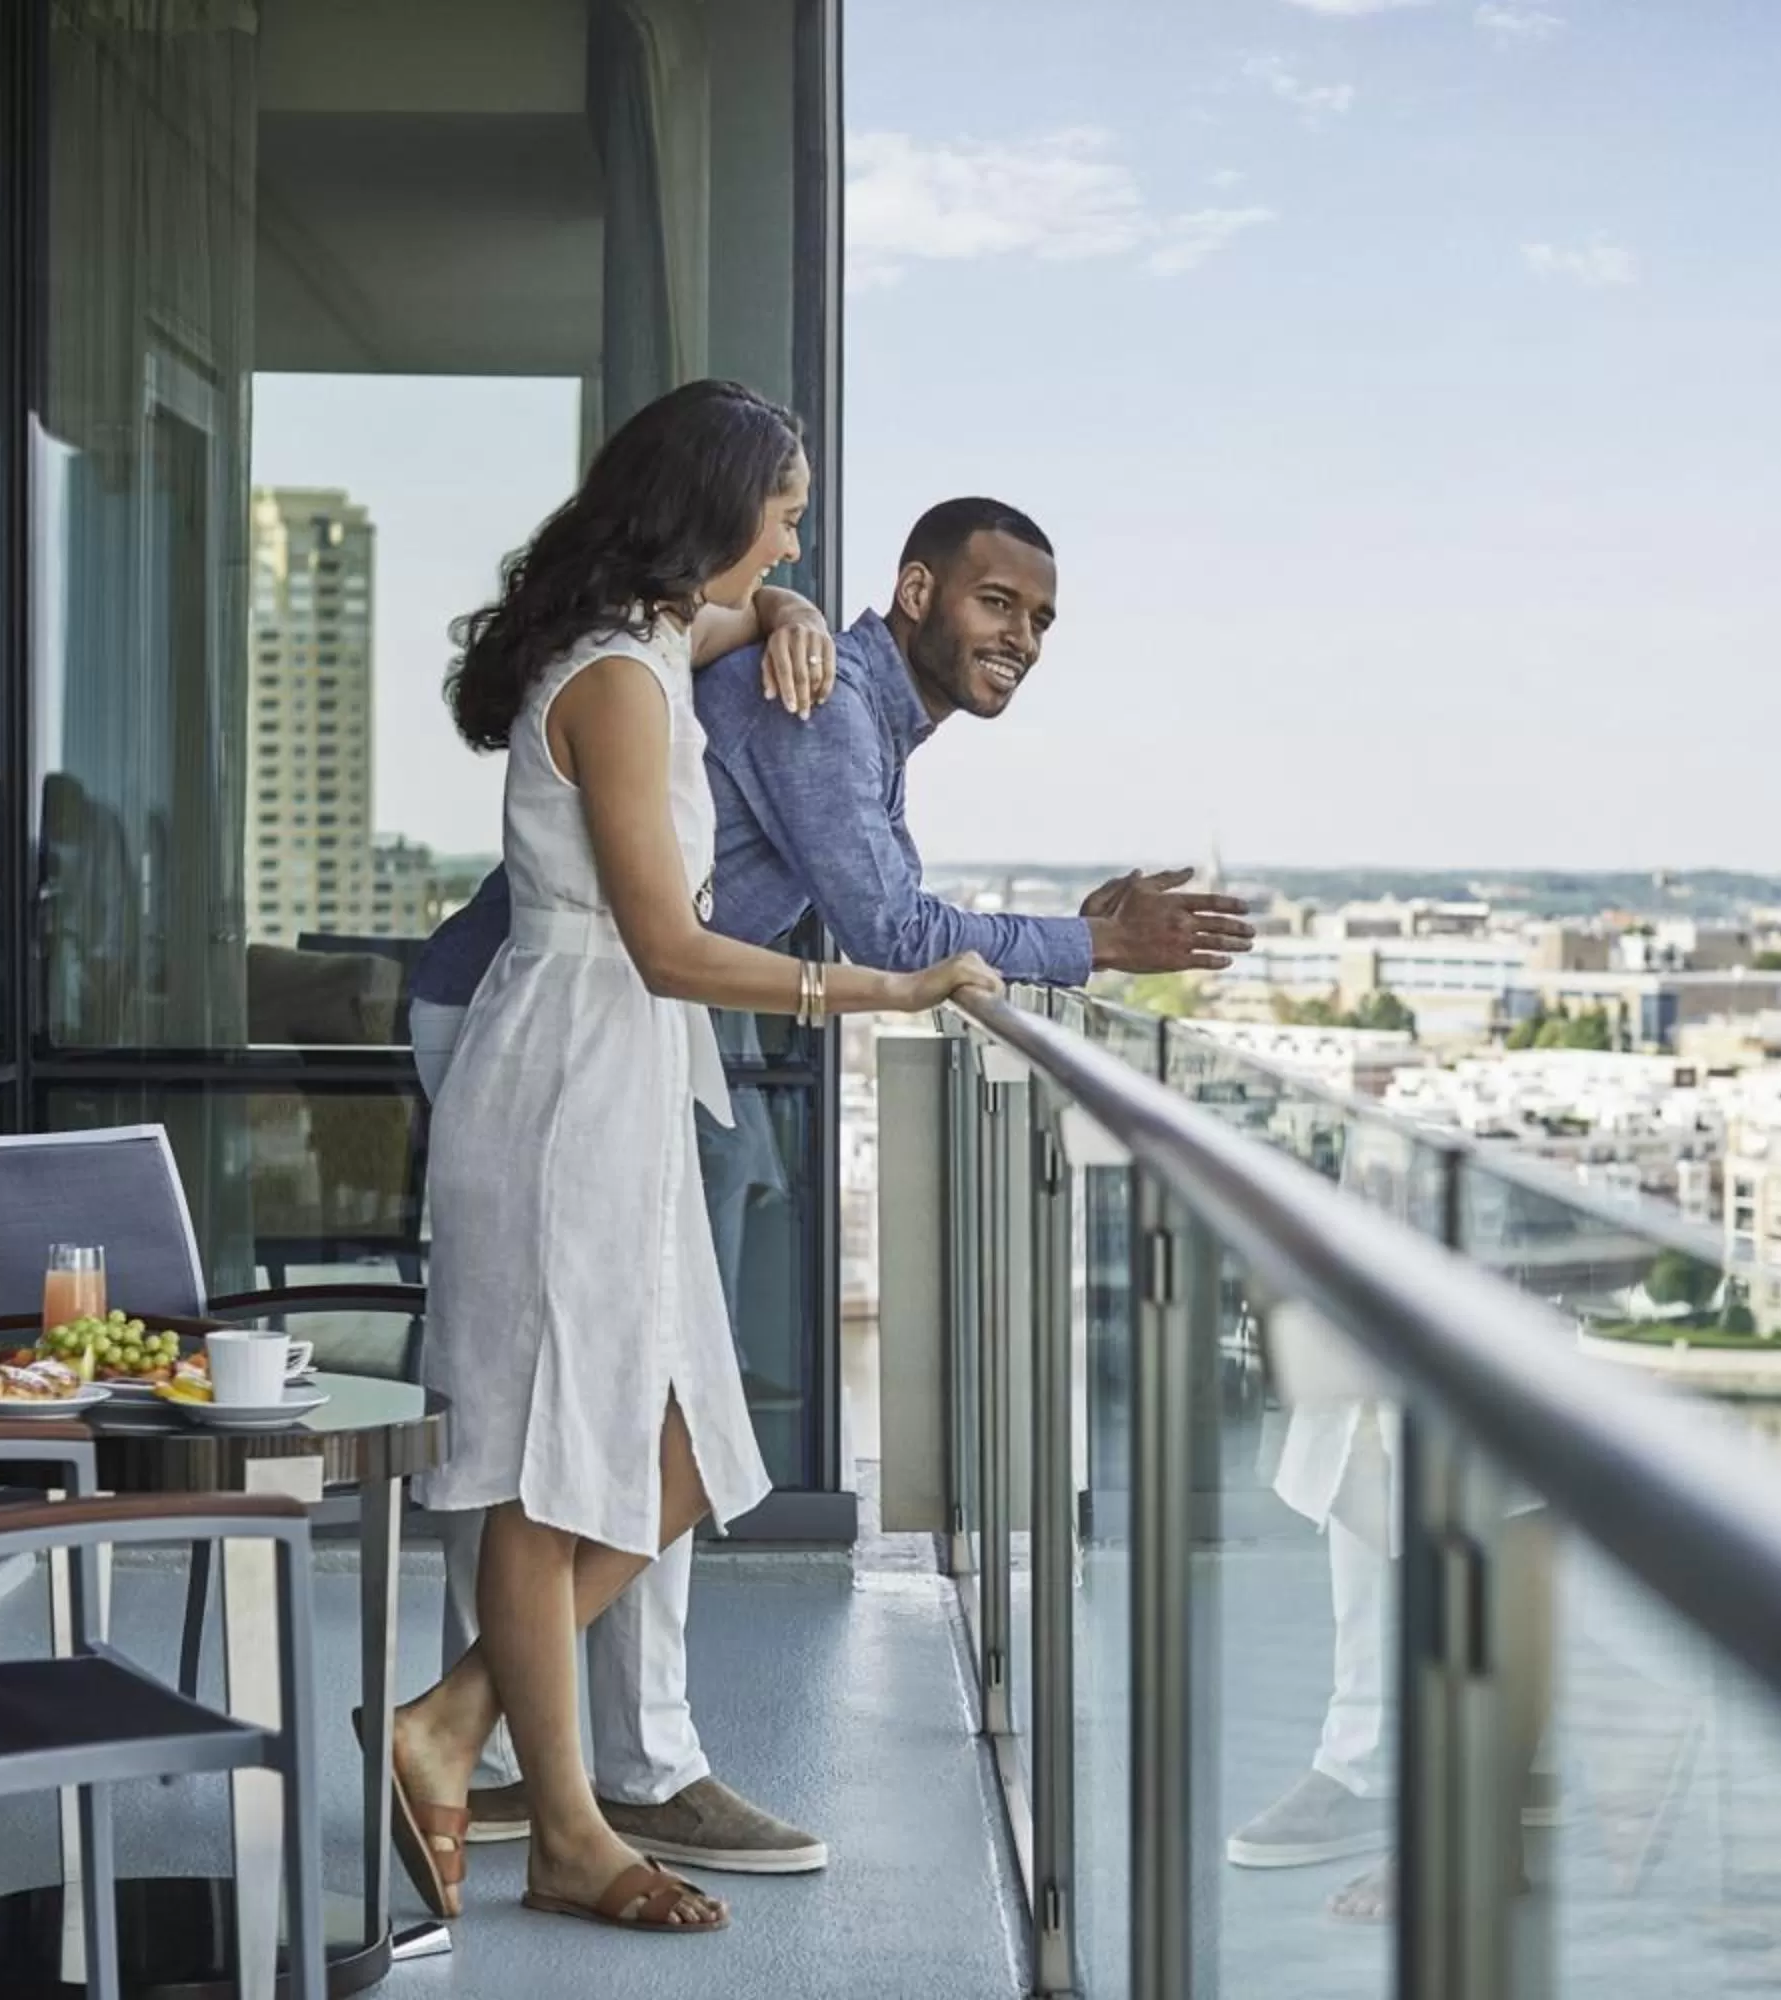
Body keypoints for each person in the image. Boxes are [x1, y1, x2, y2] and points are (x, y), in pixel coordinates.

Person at [405, 494, 1254, 1875]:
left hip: (637, 1025)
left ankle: (517, 1744)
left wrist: (1061, 931)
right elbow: (894, 926)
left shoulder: (837, 687)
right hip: (560, 1026)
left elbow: (868, 884)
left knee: (616, 1417)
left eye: (1040, 619)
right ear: (916, 591)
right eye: (997, 603)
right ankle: (592, 1759)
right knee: (570, 1415)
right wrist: (1092, 949)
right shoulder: (824, 704)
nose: (1023, 638)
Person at [388, 378, 1001, 1938]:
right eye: (784, 510)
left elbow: (729, 626)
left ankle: (453, 1728)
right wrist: (882, 986)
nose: (798, 532)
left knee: (688, 1446)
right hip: (565, 1080)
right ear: (713, 506)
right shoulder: (615, 683)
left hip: (617, 1088)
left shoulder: (655, 646)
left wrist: (785, 600)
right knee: (550, 1467)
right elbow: (667, 945)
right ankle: (573, 1829)